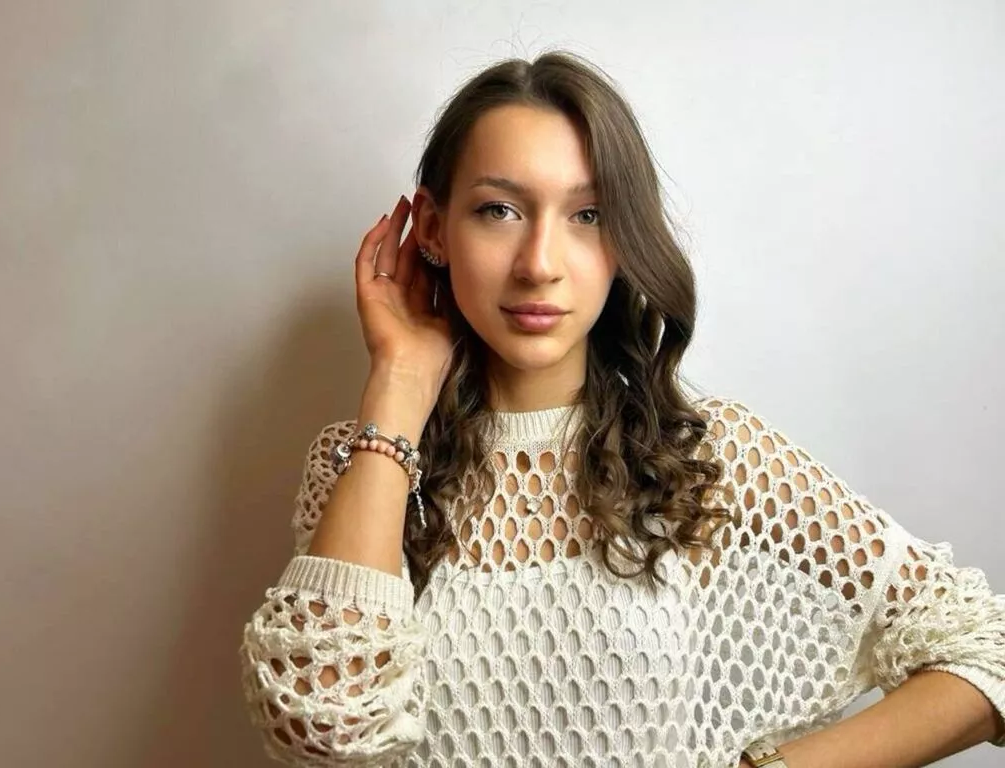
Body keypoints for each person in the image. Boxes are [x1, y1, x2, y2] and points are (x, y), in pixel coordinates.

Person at [239, 51, 1005, 768]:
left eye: (588, 216)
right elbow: (323, 728)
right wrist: (401, 381)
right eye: (499, 210)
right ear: (434, 229)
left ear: (625, 240)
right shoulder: (358, 463)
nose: (540, 264)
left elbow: (985, 653)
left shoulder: (705, 457)